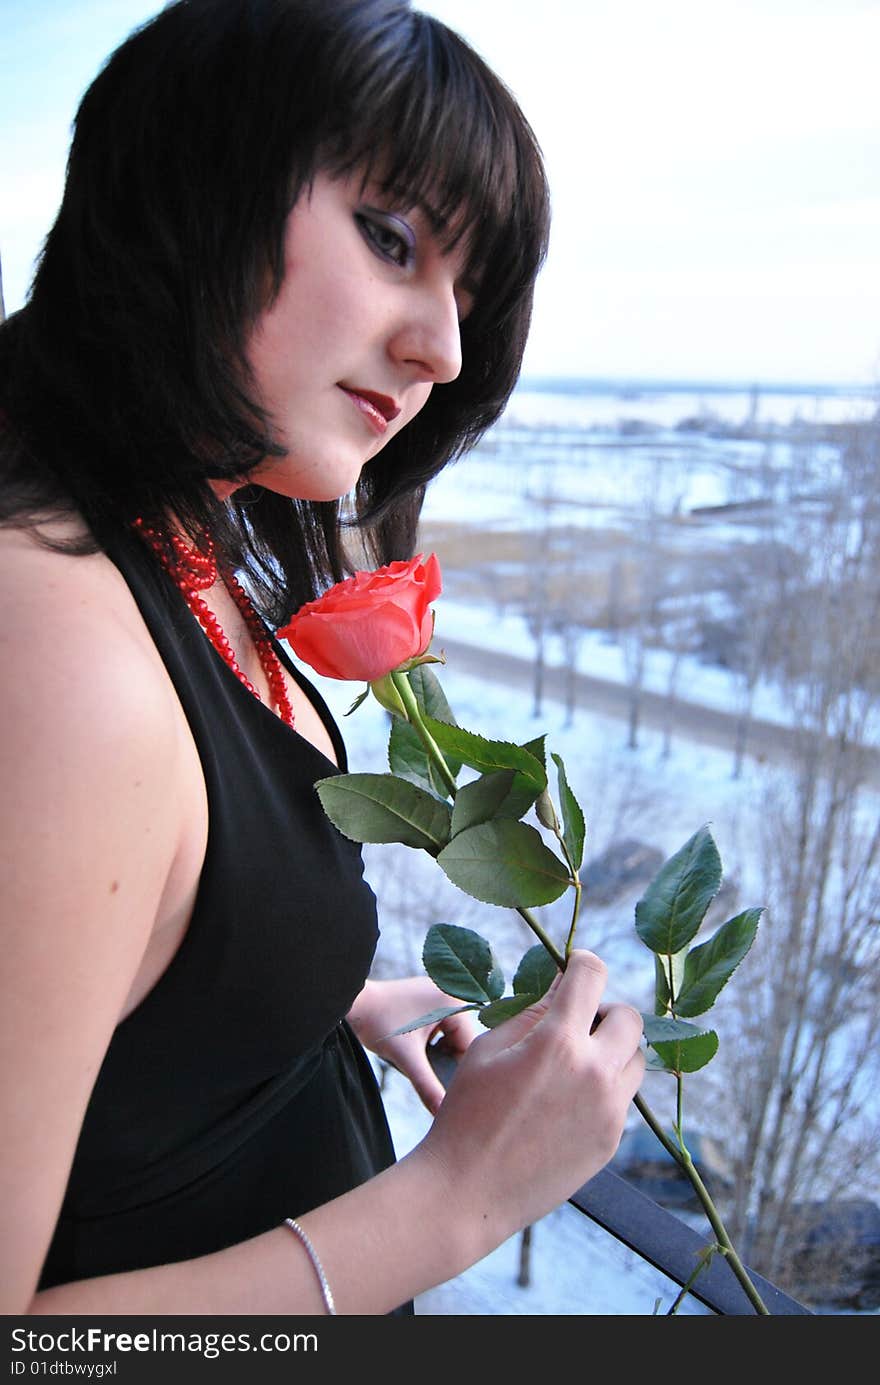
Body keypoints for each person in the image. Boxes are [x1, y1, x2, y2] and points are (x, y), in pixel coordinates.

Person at [0, 0, 645, 1316]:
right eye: (393, 238)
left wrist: (287, 1001)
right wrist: (460, 1196)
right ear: (196, 176)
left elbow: (127, 957)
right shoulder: (54, 651)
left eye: (469, 291)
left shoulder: (166, 522)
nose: (446, 350)